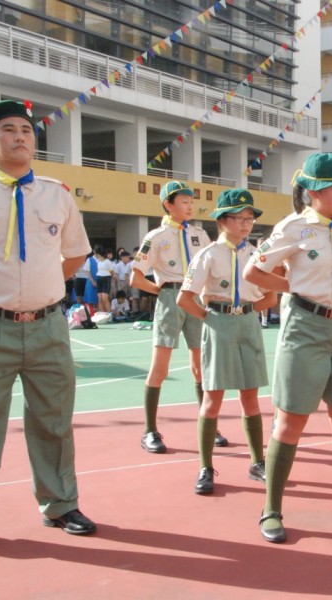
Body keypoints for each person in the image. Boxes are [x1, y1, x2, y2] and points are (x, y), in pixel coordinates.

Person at [245, 152, 332, 543]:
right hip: (306, 328)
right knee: (292, 420)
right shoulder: (294, 228)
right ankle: (271, 509)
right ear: (313, 192)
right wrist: (293, 287)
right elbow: (254, 271)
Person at [0, 99, 96, 537]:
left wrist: (43, 288)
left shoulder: (56, 194)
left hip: (48, 326)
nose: (20, 137)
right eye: (8, 130)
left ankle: (60, 504)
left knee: (54, 421)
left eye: (27, 130)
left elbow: (76, 253)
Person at [178, 189, 276, 493]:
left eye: (250, 219)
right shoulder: (208, 254)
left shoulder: (256, 255)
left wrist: (247, 311)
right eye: (239, 218)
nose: (246, 224)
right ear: (222, 221)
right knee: (213, 397)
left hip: (247, 323)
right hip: (218, 323)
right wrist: (211, 318)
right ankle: (205, 466)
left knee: (250, 395)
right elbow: (185, 298)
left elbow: (271, 296)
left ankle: (257, 461)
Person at [130, 180, 225, 453]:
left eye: (191, 201)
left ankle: (209, 425)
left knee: (201, 367)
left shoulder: (200, 235)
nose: (190, 206)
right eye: (184, 202)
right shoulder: (156, 237)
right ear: (168, 204)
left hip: (195, 298)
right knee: (160, 369)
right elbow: (136, 277)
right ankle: (150, 430)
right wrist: (160, 290)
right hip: (171, 297)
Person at [94, 245, 113, 312]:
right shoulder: (98, 261)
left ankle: (109, 314)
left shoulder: (108, 262)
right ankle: (102, 314)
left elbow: (112, 272)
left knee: (105, 298)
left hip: (106, 279)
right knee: (100, 298)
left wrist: (109, 278)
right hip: (99, 278)